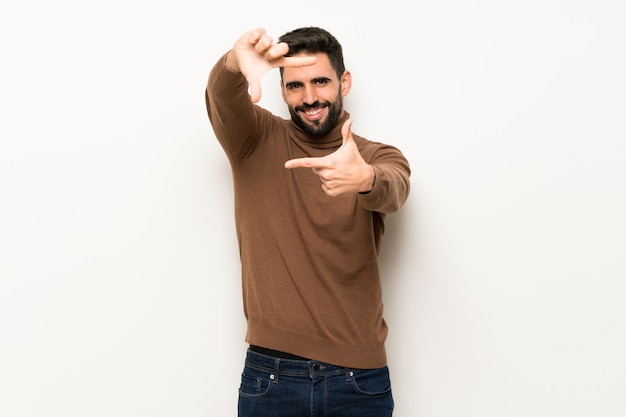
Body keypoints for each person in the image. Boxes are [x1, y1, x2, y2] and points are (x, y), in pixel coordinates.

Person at [205, 26, 411, 417]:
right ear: (282, 90)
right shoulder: (254, 138)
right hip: (271, 376)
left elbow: (395, 187)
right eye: (296, 86)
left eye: (320, 81)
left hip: (358, 379)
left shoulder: (375, 154)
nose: (310, 97)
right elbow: (222, 97)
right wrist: (234, 65)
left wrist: (365, 179)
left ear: (344, 82)